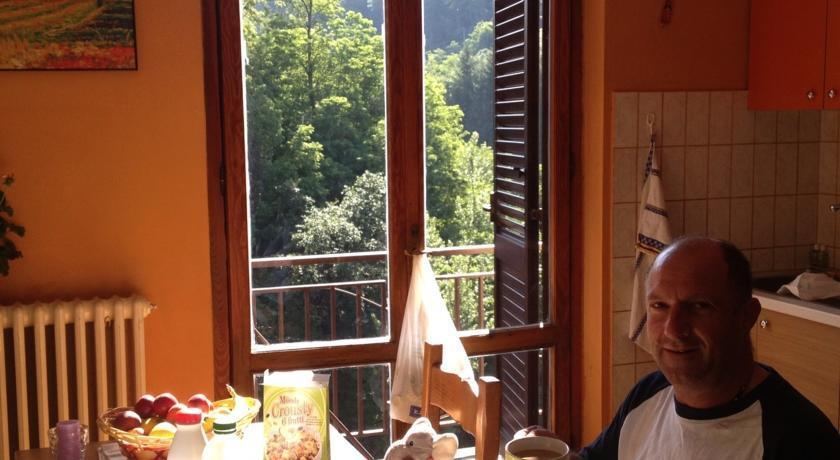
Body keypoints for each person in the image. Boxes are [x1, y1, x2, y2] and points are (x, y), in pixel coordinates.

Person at [519, 236, 839, 459]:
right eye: (660, 306)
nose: (674, 329)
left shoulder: (799, 440)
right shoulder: (648, 394)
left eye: (699, 306)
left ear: (746, 316)